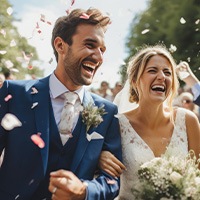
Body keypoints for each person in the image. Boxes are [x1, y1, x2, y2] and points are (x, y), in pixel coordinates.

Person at [0, 8, 122, 200]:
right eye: (90, 45)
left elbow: (112, 181)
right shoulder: (14, 94)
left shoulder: (107, 112)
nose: (98, 57)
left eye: (102, 50)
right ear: (60, 45)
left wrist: (84, 190)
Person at [98, 45, 200, 199]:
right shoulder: (117, 125)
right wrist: (98, 157)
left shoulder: (188, 121)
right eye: (152, 70)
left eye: (167, 72)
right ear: (134, 80)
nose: (161, 77)